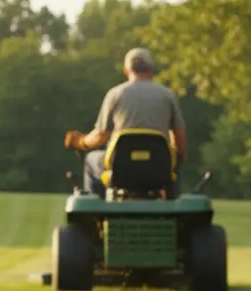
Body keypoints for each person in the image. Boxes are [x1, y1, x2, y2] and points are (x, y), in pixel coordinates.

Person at [64, 48, 188, 198]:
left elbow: (100, 136)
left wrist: (81, 142)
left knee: (91, 160)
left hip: (120, 168)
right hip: (158, 168)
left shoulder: (115, 94)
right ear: (152, 69)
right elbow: (179, 139)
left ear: (126, 70)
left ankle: (94, 213)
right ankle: (173, 206)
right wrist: (178, 156)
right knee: (174, 160)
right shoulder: (167, 95)